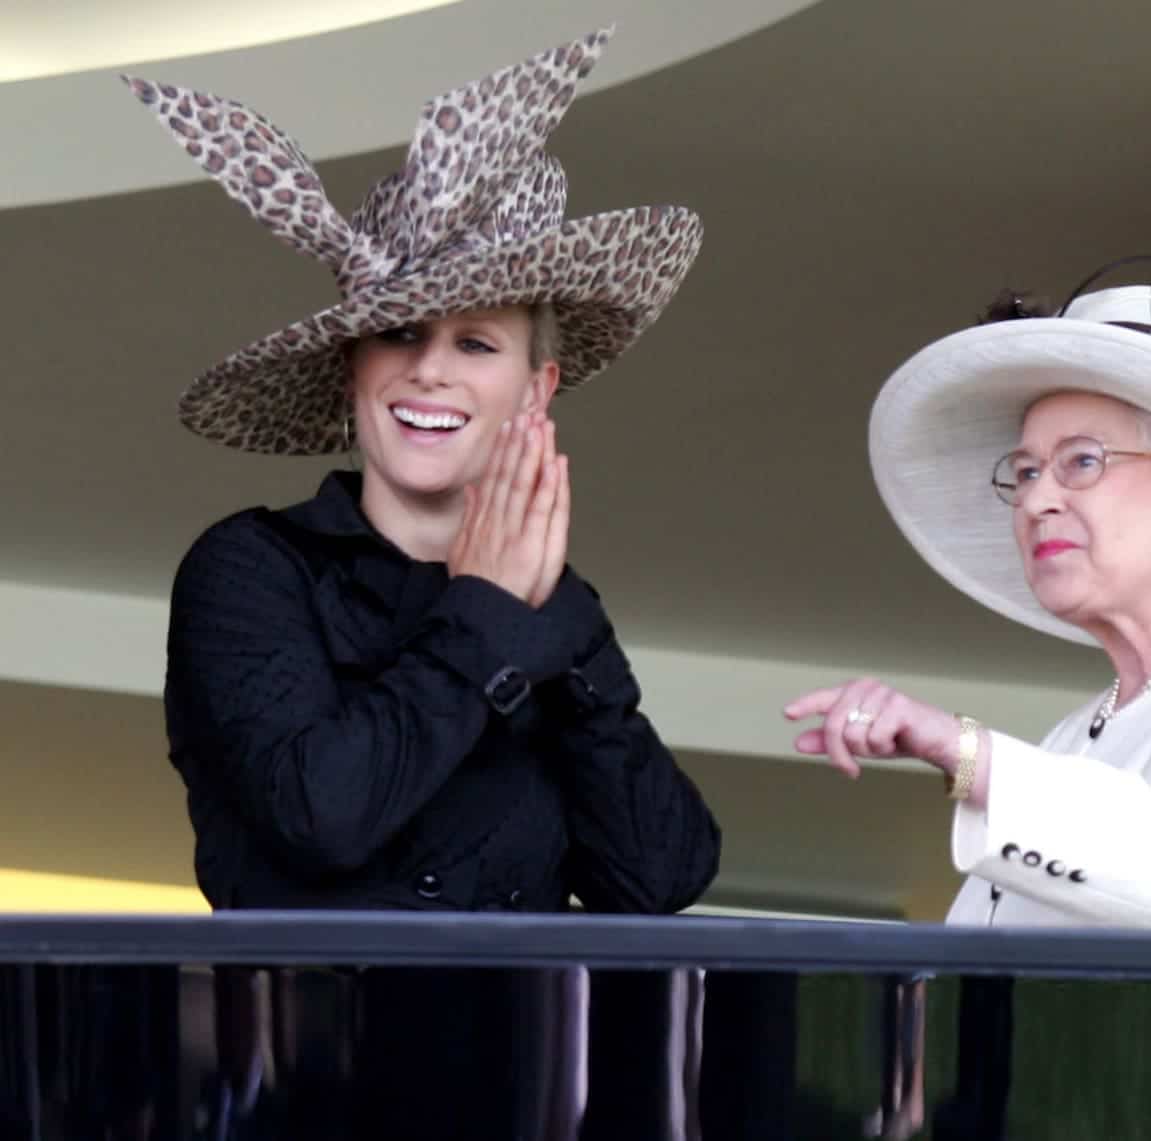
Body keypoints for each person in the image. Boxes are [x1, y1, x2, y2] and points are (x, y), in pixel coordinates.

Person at [127, 30, 719, 1139]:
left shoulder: (557, 605)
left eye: (476, 342)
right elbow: (323, 812)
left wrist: (564, 633)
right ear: (353, 366)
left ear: (536, 388)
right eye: (398, 331)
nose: (431, 368)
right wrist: (488, 616)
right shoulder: (251, 567)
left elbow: (663, 876)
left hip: (528, 1097)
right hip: (314, 1099)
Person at [786, 262, 1151, 935]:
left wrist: (968, 753)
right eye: (1025, 472)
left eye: (1081, 461)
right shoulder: (1072, 737)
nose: (1038, 499)